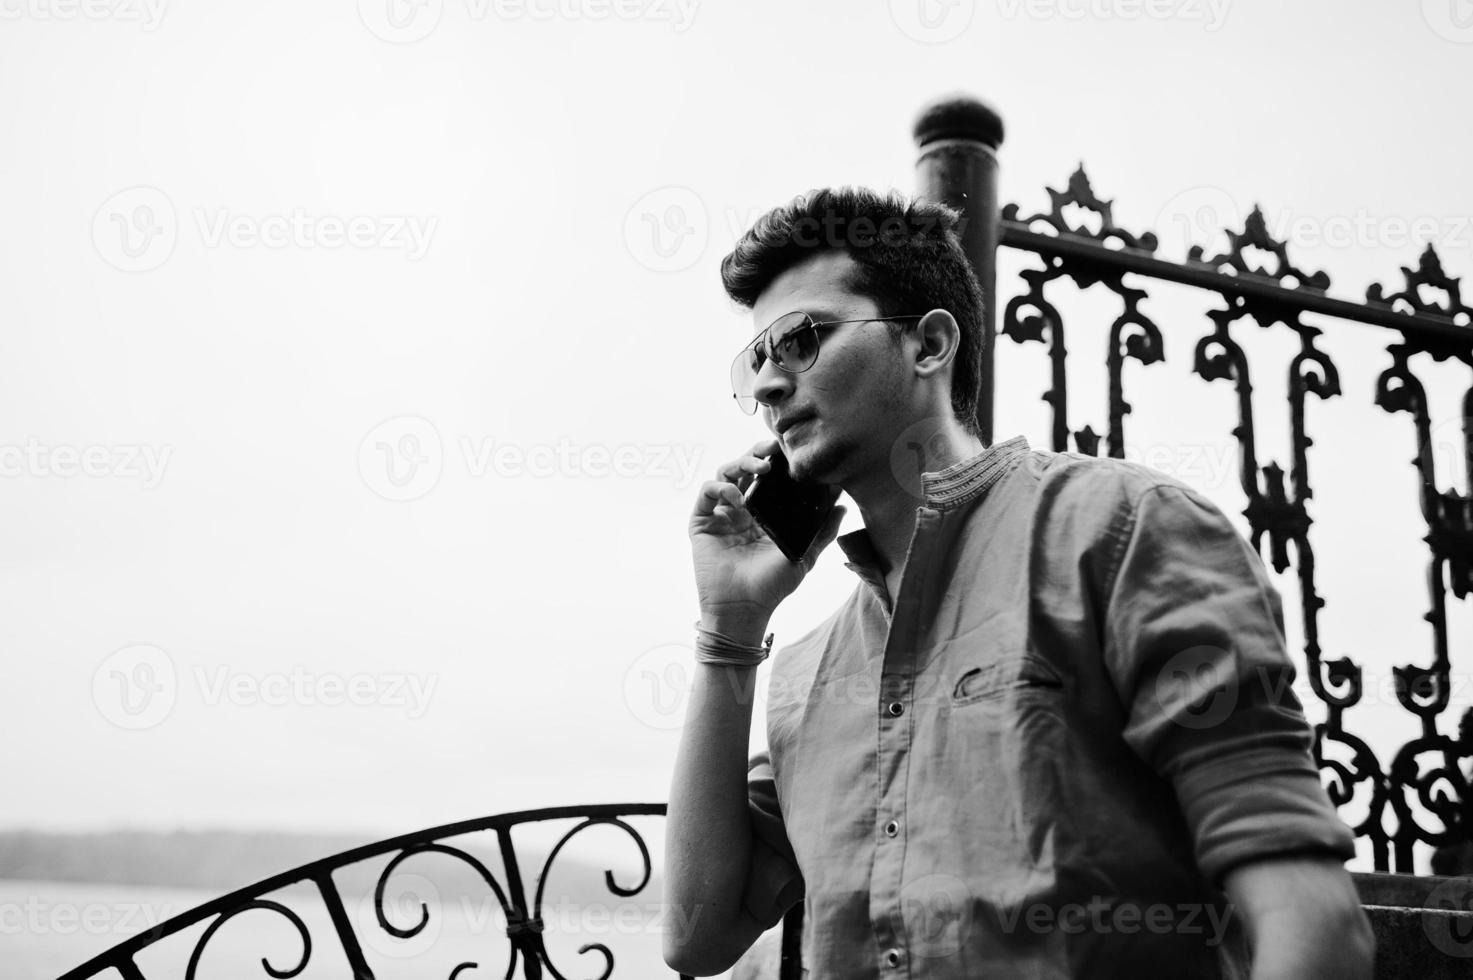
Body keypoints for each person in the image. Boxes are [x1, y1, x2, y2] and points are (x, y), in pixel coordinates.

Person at [663, 187, 1374, 979]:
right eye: (755, 359)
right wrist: (727, 627)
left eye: (799, 340)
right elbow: (698, 937)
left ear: (928, 345)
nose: (766, 385)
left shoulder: (1123, 531)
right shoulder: (804, 675)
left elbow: (1312, 931)